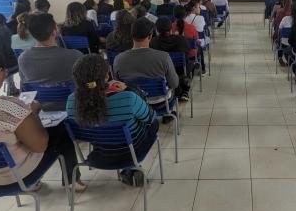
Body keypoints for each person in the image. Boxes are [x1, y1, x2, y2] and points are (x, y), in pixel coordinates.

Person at [0, 48, 84, 196]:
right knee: (61, 131)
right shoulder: (6, 107)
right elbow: (40, 146)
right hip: (13, 180)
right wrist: (33, 114)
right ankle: (71, 180)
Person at [66, 54, 155, 186]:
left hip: (99, 155)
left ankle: (129, 171)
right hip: (132, 154)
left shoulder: (71, 102)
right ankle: (129, 169)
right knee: (151, 122)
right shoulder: (128, 97)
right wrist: (130, 90)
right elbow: (150, 118)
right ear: (107, 76)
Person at [18, 13, 83, 109]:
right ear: (54, 32)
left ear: (32, 34)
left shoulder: (23, 58)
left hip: (40, 108)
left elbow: (24, 87)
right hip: (71, 106)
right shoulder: (75, 56)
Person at [113, 18, 179, 104]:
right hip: (160, 103)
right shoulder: (164, 57)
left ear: (131, 35)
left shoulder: (118, 60)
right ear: (150, 36)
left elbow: (118, 86)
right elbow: (174, 84)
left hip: (133, 103)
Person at [151, 17, 191, 101]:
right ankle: (185, 90)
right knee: (189, 63)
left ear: (157, 29)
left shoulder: (153, 42)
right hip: (180, 72)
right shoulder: (181, 39)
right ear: (171, 27)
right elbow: (188, 53)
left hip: (162, 74)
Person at [277, 0, 296, 66]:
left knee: (280, 41)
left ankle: (280, 57)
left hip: (285, 43)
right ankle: (294, 61)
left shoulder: (285, 18)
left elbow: (279, 30)